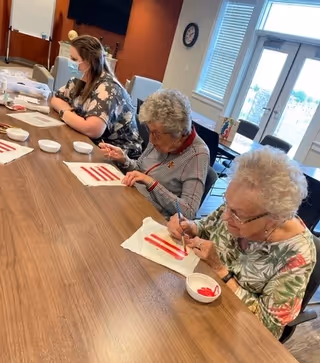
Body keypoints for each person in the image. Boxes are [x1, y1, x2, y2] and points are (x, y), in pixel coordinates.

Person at [168, 146, 316, 339]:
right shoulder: (239, 202)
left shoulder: (297, 255)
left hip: (233, 332)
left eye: (237, 214)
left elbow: (270, 328)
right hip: (195, 299)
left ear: (275, 218)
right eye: (227, 203)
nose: (226, 216)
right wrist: (189, 227)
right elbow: (206, 226)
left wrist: (221, 270)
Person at [99, 89, 211, 219]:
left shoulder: (197, 155)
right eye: (149, 130)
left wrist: (152, 184)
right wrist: (125, 160)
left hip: (152, 217)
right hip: (132, 199)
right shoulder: (160, 136)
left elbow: (189, 212)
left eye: (156, 134)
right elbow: (141, 169)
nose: (151, 140)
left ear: (178, 134)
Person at [51, 35, 142, 159]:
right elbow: (56, 99)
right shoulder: (80, 80)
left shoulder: (109, 88)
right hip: (92, 142)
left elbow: (92, 129)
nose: (70, 62)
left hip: (117, 154)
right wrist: (69, 113)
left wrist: (65, 114)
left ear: (89, 61)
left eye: (74, 58)